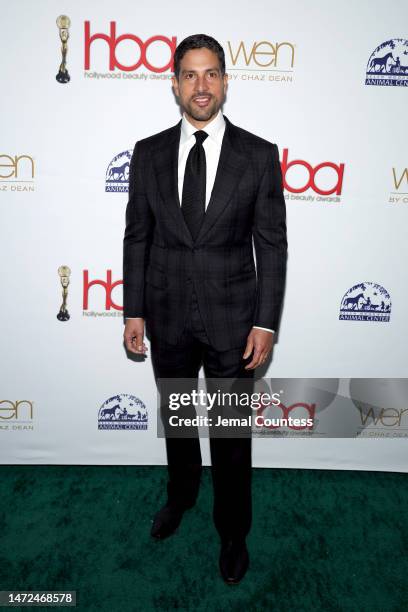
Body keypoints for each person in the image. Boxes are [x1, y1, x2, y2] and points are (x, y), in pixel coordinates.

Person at [122, 33, 287, 584]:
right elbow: (137, 237)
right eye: (190, 74)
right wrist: (133, 310)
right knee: (177, 422)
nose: (201, 85)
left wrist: (266, 321)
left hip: (234, 321)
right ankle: (182, 497)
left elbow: (272, 244)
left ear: (225, 82)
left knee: (231, 435)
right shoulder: (146, 154)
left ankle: (233, 531)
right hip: (166, 317)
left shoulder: (259, 156)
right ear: (174, 83)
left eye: (211, 73)